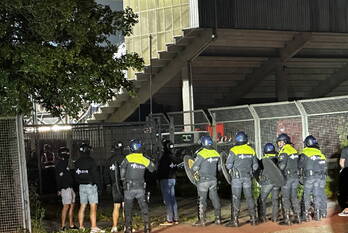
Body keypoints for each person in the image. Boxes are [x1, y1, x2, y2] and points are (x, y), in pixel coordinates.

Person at [120, 139, 156, 233]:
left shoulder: (128, 158)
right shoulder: (144, 159)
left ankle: (128, 229)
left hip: (129, 188)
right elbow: (152, 169)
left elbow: (122, 170)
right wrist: (149, 159)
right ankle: (147, 228)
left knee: (128, 210)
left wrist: (123, 180)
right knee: (144, 208)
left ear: (131, 148)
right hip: (140, 188)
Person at [225, 131, 258, 227]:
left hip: (237, 178)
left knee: (236, 198)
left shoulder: (234, 150)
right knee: (249, 197)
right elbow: (255, 166)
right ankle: (253, 219)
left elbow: (228, 165)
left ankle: (235, 221)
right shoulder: (251, 150)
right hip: (247, 177)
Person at [191, 136, 221, 226]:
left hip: (203, 181)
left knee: (202, 200)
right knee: (215, 199)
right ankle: (218, 219)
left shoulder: (201, 154)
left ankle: (202, 220)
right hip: (213, 180)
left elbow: (195, 168)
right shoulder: (216, 153)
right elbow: (219, 168)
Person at [74, 143, 104, 233]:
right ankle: (93, 227)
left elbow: (76, 175)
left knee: (82, 206)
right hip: (91, 186)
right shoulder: (91, 161)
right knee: (93, 206)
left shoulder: (77, 162)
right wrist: (99, 186)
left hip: (81, 186)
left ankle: (81, 227)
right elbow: (95, 175)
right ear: (88, 151)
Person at [299, 135, 327, 221]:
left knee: (307, 195)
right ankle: (318, 214)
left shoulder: (305, 152)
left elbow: (300, 165)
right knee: (317, 195)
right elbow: (325, 167)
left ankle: (306, 215)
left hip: (309, 177)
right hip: (320, 177)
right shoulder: (320, 153)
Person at [277, 133, 301, 225]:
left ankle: (287, 219)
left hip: (287, 178)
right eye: (278, 142)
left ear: (285, 142)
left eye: (280, 142)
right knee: (294, 197)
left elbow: (282, 166)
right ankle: (298, 217)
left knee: (285, 198)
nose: (279, 144)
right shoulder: (294, 150)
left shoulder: (284, 151)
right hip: (295, 177)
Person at [157, 139, 180, 225]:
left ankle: (170, 219)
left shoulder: (164, 157)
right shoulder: (173, 157)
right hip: (172, 179)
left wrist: (158, 179)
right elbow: (176, 167)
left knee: (167, 200)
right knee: (173, 199)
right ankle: (176, 218)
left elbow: (160, 170)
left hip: (165, 180)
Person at [55, 147, 78, 231]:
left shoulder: (65, 163)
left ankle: (71, 225)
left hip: (70, 188)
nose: (68, 155)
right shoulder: (61, 164)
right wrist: (59, 189)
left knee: (72, 205)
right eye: (67, 153)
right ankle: (63, 226)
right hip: (65, 188)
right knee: (66, 206)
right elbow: (59, 178)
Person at [104, 141, 125, 232]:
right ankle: (126, 226)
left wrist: (108, 184)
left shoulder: (110, 160)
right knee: (125, 206)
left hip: (114, 185)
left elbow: (106, 174)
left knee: (116, 206)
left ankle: (114, 227)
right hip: (124, 185)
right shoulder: (125, 158)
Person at [258, 143, 280, 223]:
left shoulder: (264, 159)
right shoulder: (278, 157)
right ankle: (275, 218)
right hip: (277, 181)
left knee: (262, 199)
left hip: (267, 182)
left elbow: (258, 168)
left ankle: (262, 218)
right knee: (275, 199)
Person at [338, 143, 348, 216]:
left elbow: (341, 163)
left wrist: (342, 170)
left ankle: (346, 210)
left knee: (345, 192)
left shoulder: (345, 149)